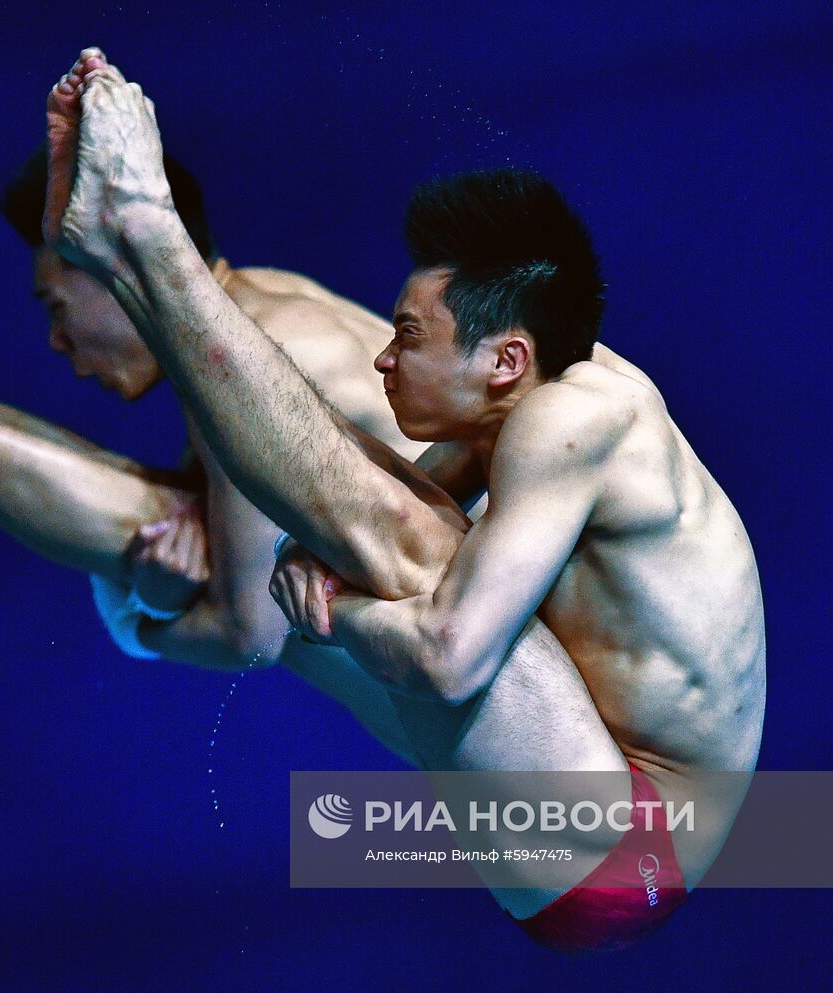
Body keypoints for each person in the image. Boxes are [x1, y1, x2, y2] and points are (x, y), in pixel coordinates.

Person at [51, 49, 767, 951]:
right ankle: (101, 279)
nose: (384, 358)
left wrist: (337, 610)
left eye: (408, 336)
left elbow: (445, 658)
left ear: (503, 360)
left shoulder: (571, 420)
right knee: (346, 499)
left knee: (392, 543)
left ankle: (146, 237)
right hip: (590, 804)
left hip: (631, 848)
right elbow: (391, 491)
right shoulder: (540, 390)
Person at [0, 51, 458, 765]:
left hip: (527, 754)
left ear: (109, 273)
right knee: (196, 524)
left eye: (58, 306)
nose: (57, 341)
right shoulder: (264, 293)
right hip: (511, 713)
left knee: (171, 535)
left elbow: (251, 635)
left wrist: (145, 616)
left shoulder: (248, 355)